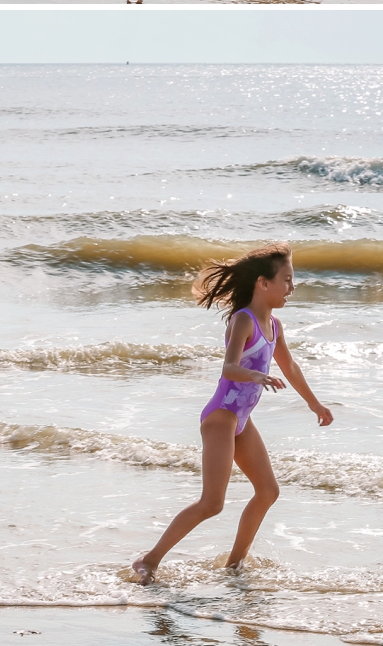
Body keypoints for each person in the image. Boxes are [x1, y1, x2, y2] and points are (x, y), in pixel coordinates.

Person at [132, 246, 333, 583]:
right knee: (212, 503)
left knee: (268, 491)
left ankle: (234, 566)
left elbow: (290, 366)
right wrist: (254, 375)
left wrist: (314, 403)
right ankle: (148, 560)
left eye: (292, 280)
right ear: (262, 283)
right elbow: (229, 367)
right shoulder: (244, 319)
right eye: (286, 280)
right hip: (221, 417)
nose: (292, 288)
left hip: (242, 420)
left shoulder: (275, 325)